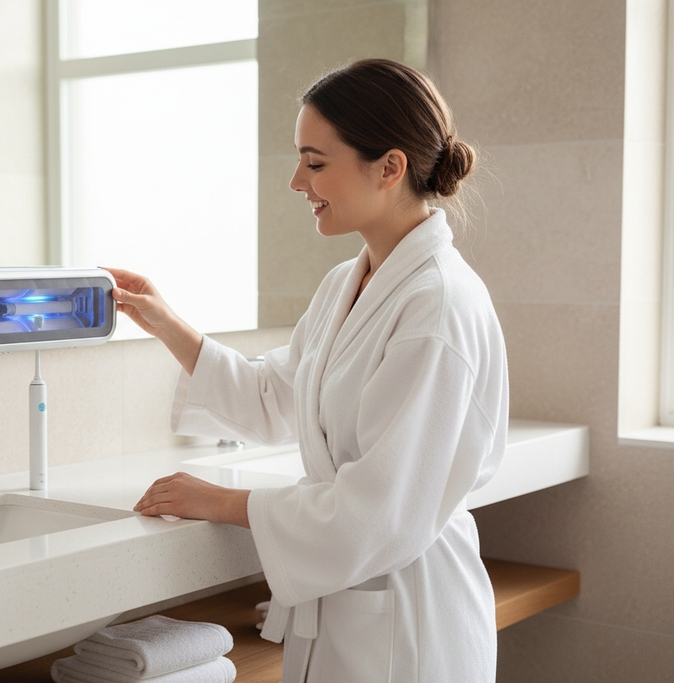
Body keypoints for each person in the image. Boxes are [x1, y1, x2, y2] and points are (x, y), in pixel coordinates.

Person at [107, 58, 508, 683]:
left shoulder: (436, 305)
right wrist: (166, 323)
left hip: (410, 626)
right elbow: (277, 397)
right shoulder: (347, 284)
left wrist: (223, 501)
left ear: (390, 167)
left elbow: (377, 512)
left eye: (315, 162)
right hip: (352, 606)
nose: (297, 181)